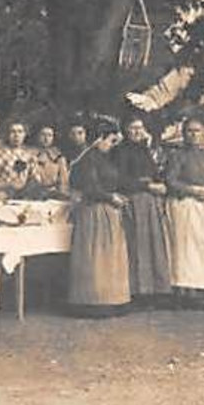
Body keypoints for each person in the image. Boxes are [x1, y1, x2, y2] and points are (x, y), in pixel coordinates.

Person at [68, 121, 132, 315]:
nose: (112, 145)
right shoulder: (88, 159)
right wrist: (110, 197)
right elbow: (90, 187)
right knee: (96, 256)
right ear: (99, 138)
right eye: (110, 140)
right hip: (93, 211)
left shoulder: (105, 158)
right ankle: (93, 301)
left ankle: (111, 299)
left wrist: (118, 195)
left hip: (109, 211)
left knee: (109, 257)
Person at [165, 118, 204, 307]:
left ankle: (201, 291)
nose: (194, 135)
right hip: (185, 206)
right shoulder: (177, 156)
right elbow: (171, 181)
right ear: (184, 134)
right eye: (190, 131)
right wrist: (191, 190)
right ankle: (184, 291)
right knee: (185, 250)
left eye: (198, 131)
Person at [112, 116, 173, 304]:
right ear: (125, 130)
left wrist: (160, 185)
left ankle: (155, 290)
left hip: (150, 203)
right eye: (133, 128)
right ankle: (137, 291)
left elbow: (154, 174)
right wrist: (146, 186)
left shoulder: (144, 150)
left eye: (140, 128)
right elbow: (119, 179)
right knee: (137, 246)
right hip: (134, 201)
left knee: (153, 245)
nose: (137, 132)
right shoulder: (118, 152)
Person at [0, 121, 37, 201]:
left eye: (20, 132)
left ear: (24, 135)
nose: (16, 135)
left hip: (23, 199)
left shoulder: (30, 157)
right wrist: (9, 185)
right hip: (3, 198)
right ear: (8, 135)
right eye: (13, 132)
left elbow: (35, 179)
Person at [30, 124, 71, 198]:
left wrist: (62, 194)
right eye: (43, 135)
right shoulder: (29, 155)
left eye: (49, 135)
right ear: (37, 136)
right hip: (32, 194)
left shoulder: (59, 158)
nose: (46, 138)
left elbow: (63, 182)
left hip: (52, 195)